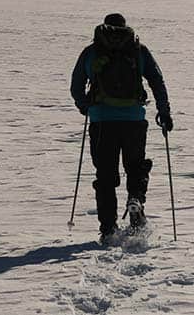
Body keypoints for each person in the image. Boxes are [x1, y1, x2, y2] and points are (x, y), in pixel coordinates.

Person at [70, 13, 173, 244]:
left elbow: (76, 85)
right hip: (133, 121)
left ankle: (108, 229)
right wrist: (164, 112)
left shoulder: (92, 52)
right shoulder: (137, 50)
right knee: (136, 166)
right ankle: (135, 199)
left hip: (102, 123)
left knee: (105, 175)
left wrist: (86, 106)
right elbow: (157, 81)